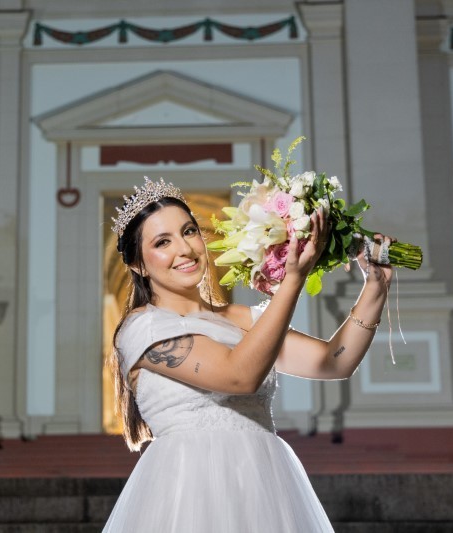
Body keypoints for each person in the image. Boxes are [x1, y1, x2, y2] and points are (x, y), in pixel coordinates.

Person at [103, 177, 394, 532]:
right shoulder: (144, 328)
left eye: (189, 231)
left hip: (263, 481)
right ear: (138, 264)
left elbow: (335, 361)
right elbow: (239, 376)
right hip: (189, 488)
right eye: (163, 242)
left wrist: (376, 285)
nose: (185, 249)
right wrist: (293, 279)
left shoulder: (242, 319)